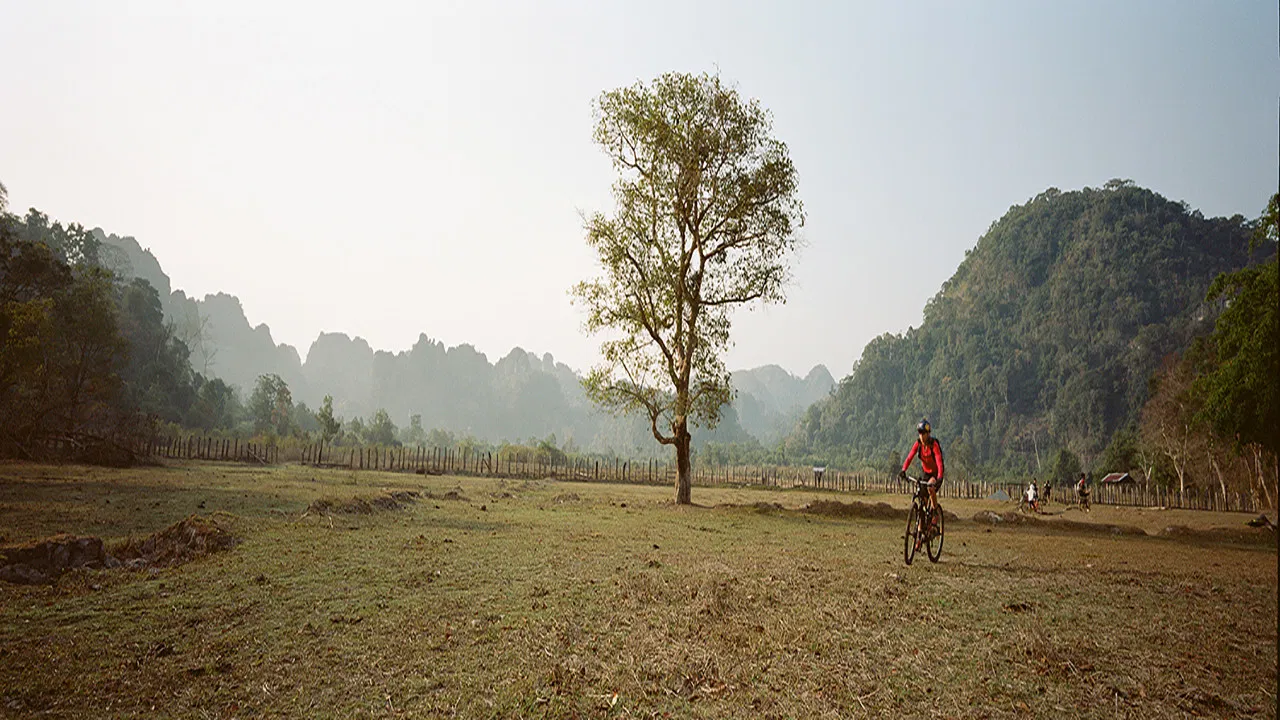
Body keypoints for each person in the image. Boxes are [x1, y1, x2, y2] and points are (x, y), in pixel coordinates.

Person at [899, 418, 944, 527]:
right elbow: (910, 457)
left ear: (928, 434)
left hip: (935, 473)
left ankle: (934, 513)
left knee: (930, 487)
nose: (921, 436)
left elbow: (939, 462)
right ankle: (919, 534)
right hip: (926, 473)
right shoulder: (918, 444)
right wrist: (903, 470)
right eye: (920, 433)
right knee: (921, 499)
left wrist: (939, 478)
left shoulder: (934, 445)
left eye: (923, 433)